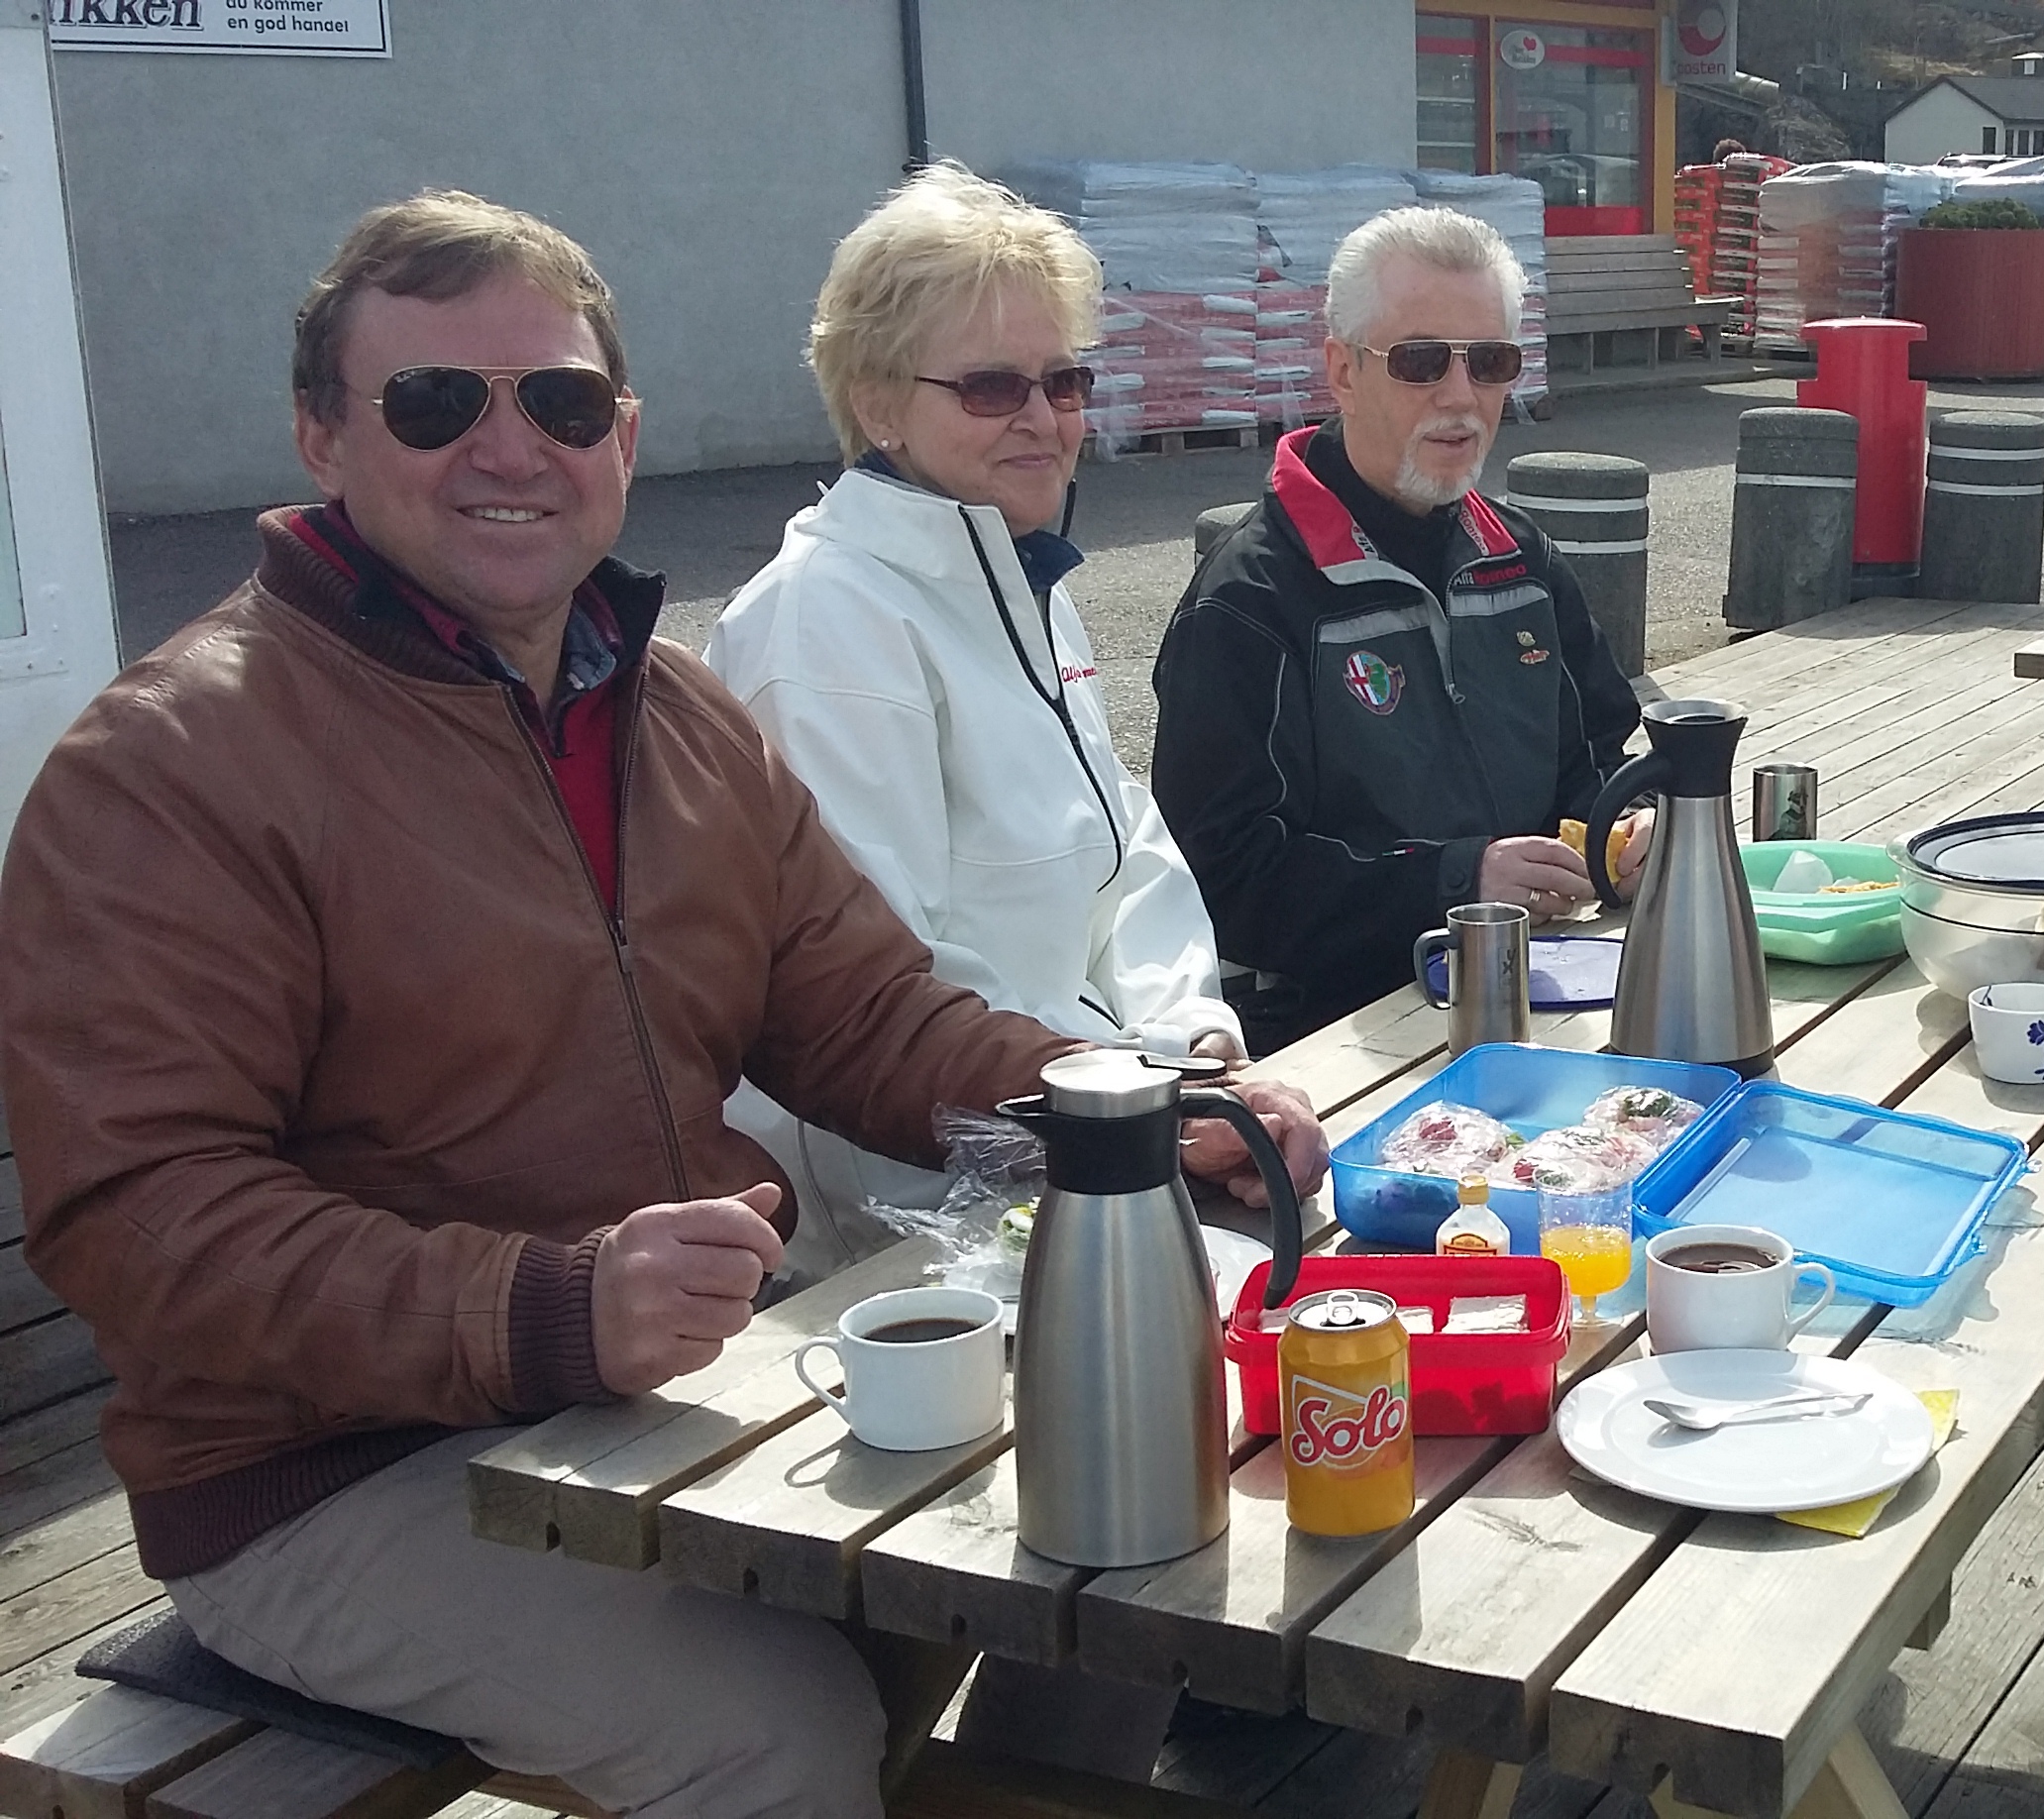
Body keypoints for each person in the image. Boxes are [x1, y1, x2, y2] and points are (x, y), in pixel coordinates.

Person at [0, 191, 1325, 1818]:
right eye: (436, 401)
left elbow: (864, 1014)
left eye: (560, 402)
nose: (508, 448)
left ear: (621, 437)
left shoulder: (669, 711)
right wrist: (543, 1308)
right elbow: (139, 1217)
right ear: (320, 436)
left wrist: (1135, 1108)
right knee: (774, 1734)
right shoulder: (174, 764)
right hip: (320, 1472)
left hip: (655, 1389)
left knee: (1118, 1530)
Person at [704, 163, 1244, 1283]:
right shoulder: (825, 624)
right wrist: (1148, 1102)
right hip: (920, 1239)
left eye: (1065, 380)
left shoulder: (1019, 581)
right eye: (992, 387)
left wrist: (1192, 1043)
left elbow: (1126, 857)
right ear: (877, 404)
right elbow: (873, 1001)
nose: (1043, 419)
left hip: (1098, 1135)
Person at [1152, 206, 1644, 1053]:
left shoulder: (1524, 560)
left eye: (1489, 362)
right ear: (1342, 372)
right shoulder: (1248, 598)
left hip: (1548, 992)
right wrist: (1455, 883)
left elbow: (1596, 764)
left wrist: (1628, 828)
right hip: (1338, 1035)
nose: (1460, 396)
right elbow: (1219, 876)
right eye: (1421, 361)